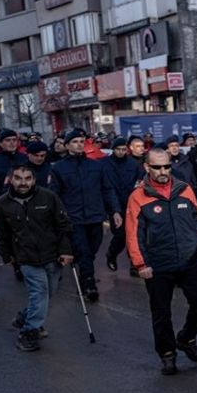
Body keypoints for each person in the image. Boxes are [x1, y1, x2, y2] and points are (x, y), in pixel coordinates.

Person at [125, 149, 197, 375]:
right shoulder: (138, 197)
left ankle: (186, 338)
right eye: (157, 167)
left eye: (166, 166)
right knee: (161, 312)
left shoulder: (185, 189)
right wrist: (141, 264)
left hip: (189, 260)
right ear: (147, 168)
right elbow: (133, 234)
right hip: (158, 264)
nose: (163, 171)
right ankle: (167, 354)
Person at [0, 164, 73, 351]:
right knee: (39, 293)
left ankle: (24, 317)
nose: (23, 183)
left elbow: (64, 225)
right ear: (11, 179)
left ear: (34, 179)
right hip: (26, 258)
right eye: (18, 178)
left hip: (52, 256)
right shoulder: (3, 203)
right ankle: (29, 332)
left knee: (49, 293)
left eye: (27, 178)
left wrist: (66, 250)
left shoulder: (48, 197)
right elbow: (4, 233)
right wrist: (6, 254)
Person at [50, 128, 121, 302]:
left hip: (95, 215)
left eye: (81, 142)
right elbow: (55, 195)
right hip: (74, 218)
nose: (79, 145)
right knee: (83, 250)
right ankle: (89, 284)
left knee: (92, 248)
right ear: (67, 146)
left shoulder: (96, 166)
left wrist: (115, 211)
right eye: (75, 142)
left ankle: (84, 271)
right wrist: (57, 217)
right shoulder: (59, 168)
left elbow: (107, 189)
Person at [102, 137, 145, 273]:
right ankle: (112, 253)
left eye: (123, 150)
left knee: (134, 234)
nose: (121, 152)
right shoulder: (104, 164)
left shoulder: (132, 164)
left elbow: (140, 180)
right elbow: (106, 187)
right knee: (121, 235)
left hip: (130, 204)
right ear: (113, 150)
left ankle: (135, 264)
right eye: (118, 150)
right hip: (113, 205)